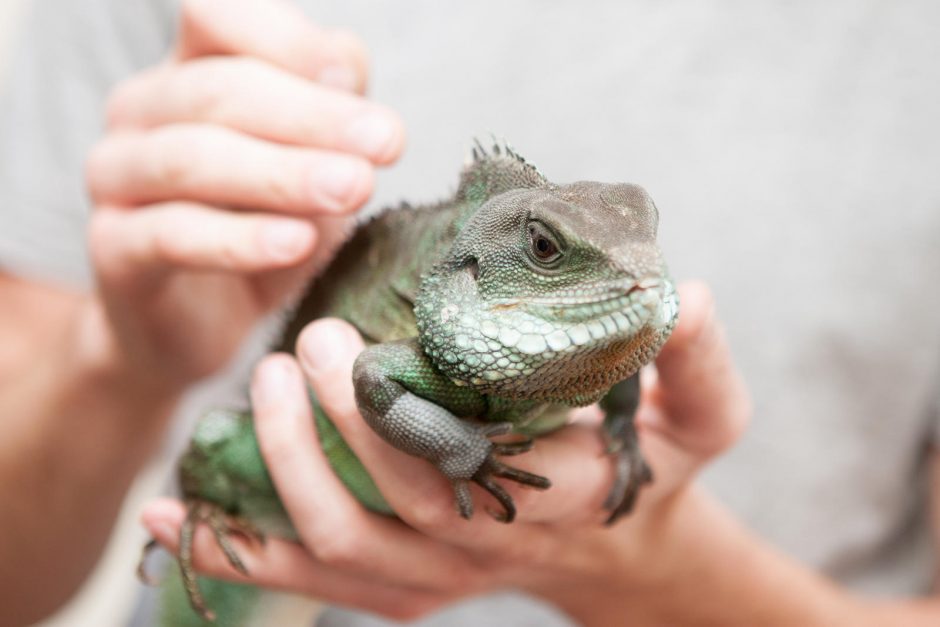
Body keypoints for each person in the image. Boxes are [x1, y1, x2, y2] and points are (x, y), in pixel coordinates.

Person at [1, 0, 938, 625]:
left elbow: (627, 358)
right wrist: (116, 356)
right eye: (543, 252)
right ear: (485, 271)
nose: (636, 281)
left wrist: (663, 573)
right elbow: (376, 372)